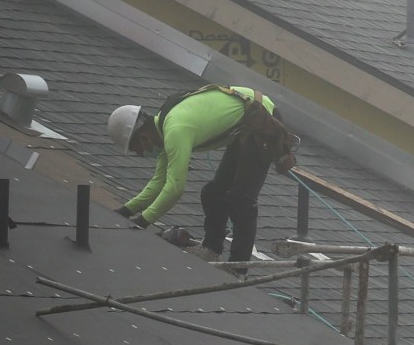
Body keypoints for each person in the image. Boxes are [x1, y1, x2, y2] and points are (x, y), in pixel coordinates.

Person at [107, 86, 296, 263]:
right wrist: (126, 211)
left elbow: (174, 189)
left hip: (260, 118)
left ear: (143, 137)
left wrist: (142, 221)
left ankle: (238, 267)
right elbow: (159, 181)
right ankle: (211, 249)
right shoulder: (165, 128)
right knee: (213, 193)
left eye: (136, 149)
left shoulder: (175, 130)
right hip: (246, 124)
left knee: (241, 198)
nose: (139, 154)